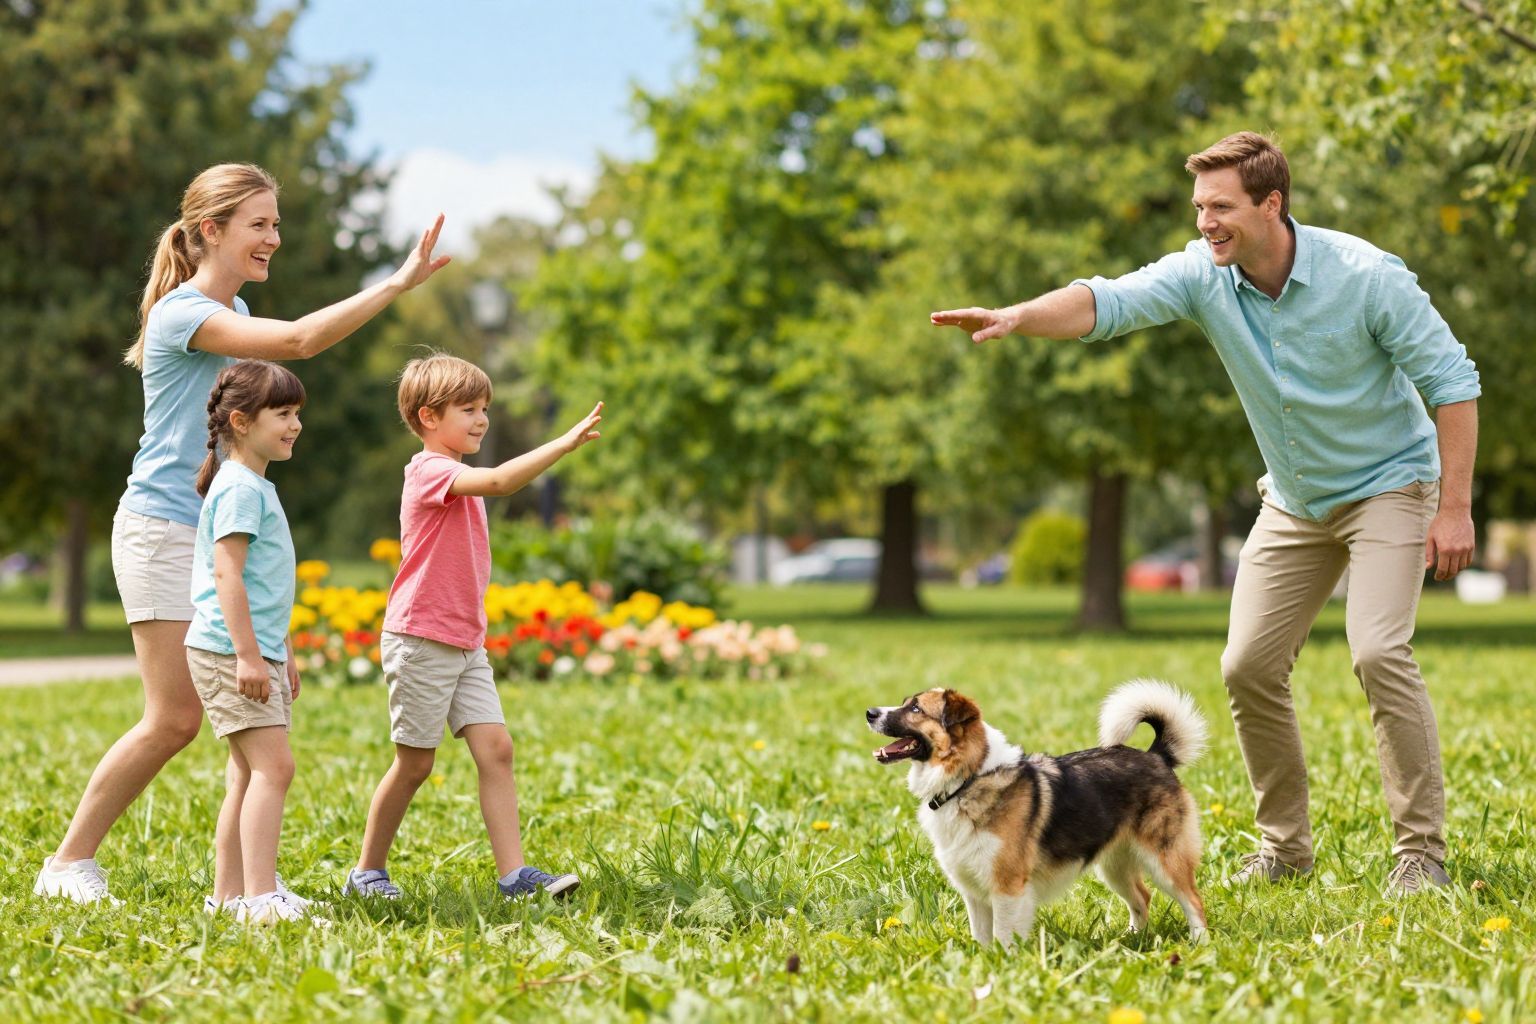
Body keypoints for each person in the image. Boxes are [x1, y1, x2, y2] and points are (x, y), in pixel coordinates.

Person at [931, 131, 1479, 896]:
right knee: (1246, 665)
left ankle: (1420, 853)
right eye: (1198, 208)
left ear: (1272, 204)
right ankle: (1285, 848)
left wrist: (1454, 508)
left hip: (1390, 484)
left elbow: (1453, 381)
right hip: (1295, 498)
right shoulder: (1203, 275)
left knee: (1378, 650)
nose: (1204, 222)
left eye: (1220, 207)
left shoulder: (1366, 276)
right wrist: (1020, 315)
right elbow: (1108, 300)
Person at [35, 163, 449, 906]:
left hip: (217, 530)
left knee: (244, 723)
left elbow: (257, 426)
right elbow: (296, 342)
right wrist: (394, 285)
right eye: (258, 224)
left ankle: (238, 893)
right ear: (210, 231)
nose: (273, 238)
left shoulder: (235, 306)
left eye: (276, 224)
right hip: (164, 529)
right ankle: (68, 862)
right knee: (175, 718)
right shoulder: (182, 314)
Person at [342, 353, 603, 901]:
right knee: (415, 764)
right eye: (468, 408)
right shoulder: (431, 471)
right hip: (420, 639)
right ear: (427, 417)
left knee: (497, 748)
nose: (482, 419)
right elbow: (504, 481)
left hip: (464, 641)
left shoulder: (457, 471)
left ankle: (514, 877)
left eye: (485, 407)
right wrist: (564, 443)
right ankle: (367, 871)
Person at [185, 360, 316, 923]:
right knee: (273, 769)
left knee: (246, 772)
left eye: (296, 415)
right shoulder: (240, 488)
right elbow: (228, 576)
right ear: (240, 421)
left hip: (251, 650)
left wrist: (278, 650)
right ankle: (261, 898)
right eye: (282, 414)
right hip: (227, 651)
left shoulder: (251, 483)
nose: (295, 425)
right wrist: (245, 655)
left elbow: (266, 585)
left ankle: (230, 895)